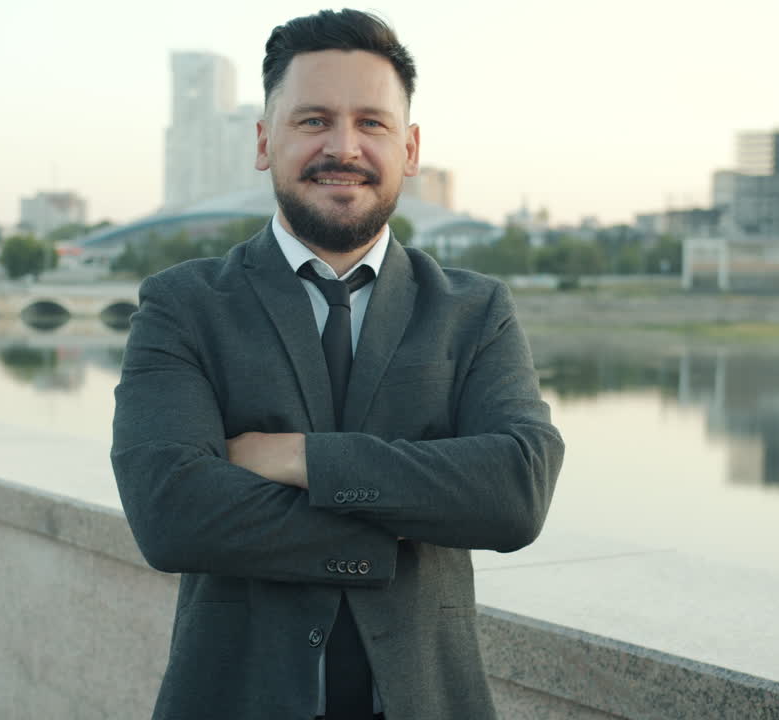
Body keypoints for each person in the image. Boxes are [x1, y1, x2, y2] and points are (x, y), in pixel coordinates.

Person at [111, 9, 564, 720]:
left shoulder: (474, 312)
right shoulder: (183, 305)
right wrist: (412, 517)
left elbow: (515, 491)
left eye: (372, 123)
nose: (343, 147)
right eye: (313, 120)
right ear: (265, 141)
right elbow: (171, 514)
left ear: (410, 149)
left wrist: (301, 459)